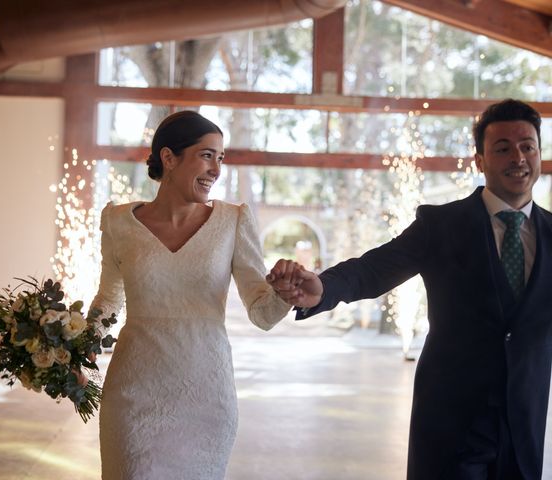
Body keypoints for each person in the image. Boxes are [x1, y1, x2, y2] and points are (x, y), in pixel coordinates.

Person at [267, 99, 552, 479]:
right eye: (502, 148)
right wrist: (323, 288)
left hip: (524, 428)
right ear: (480, 161)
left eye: (527, 146)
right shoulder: (441, 224)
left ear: (539, 153)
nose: (517, 157)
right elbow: (373, 269)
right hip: (451, 422)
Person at [89, 110, 291, 480]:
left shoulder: (233, 220)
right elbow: (108, 298)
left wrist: (286, 294)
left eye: (221, 158)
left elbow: (262, 313)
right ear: (169, 158)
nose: (217, 169)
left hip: (206, 397)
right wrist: (72, 343)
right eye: (207, 155)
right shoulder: (117, 222)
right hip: (133, 394)